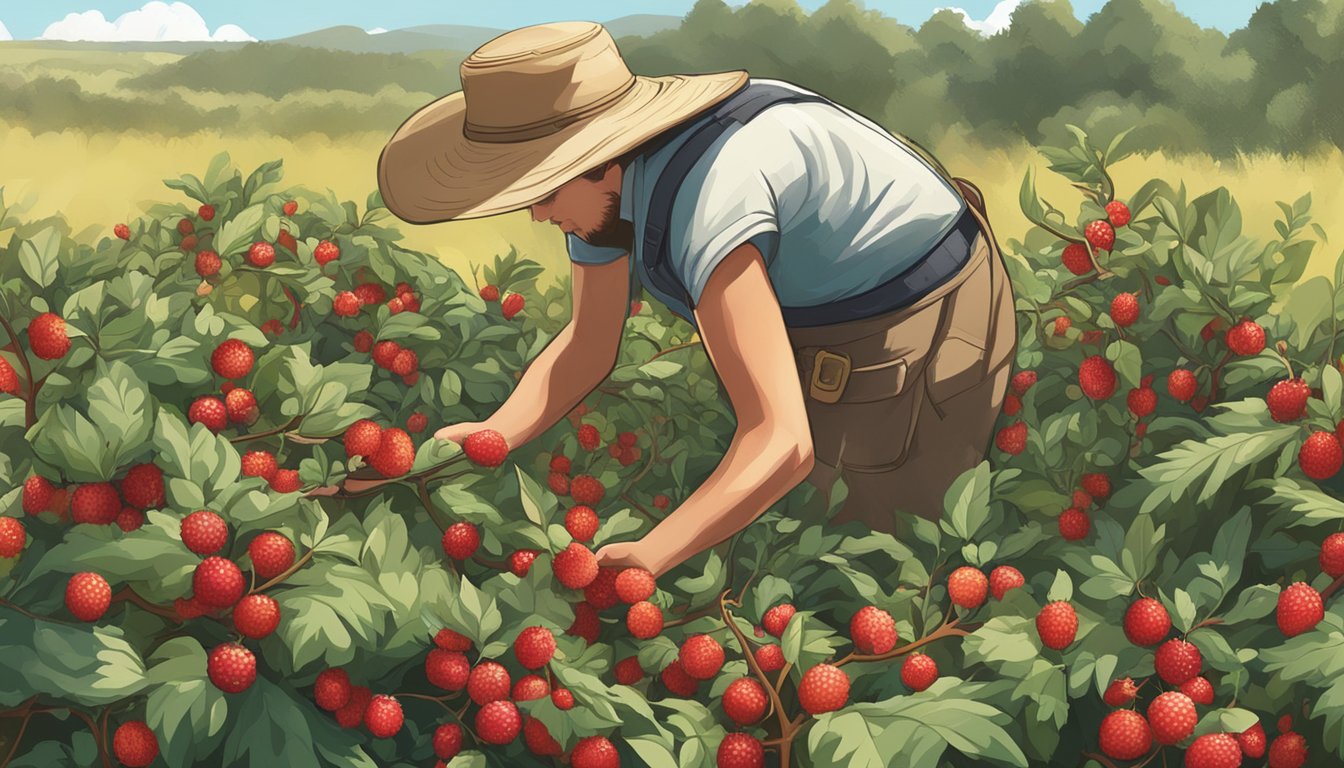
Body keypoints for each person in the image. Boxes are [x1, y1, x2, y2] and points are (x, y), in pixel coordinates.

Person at [376, 21, 1017, 579]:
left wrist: (656, 552)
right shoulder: (607, 197)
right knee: (786, 519)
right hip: (819, 309)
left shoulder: (716, 196)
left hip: (924, 311)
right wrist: (494, 434)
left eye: (542, 190)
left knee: (871, 546)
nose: (538, 215)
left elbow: (780, 441)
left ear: (603, 158)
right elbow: (590, 342)